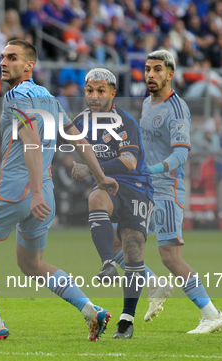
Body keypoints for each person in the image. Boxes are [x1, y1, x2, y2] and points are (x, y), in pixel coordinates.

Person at [0, 39, 118, 341]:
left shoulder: (16, 96)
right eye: (2, 57)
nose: (3, 62)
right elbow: (78, 140)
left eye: (12, 58)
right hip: (44, 191)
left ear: (29, 65)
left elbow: (30, 139)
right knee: (31, 263)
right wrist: (100, 177)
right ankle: (90, 310)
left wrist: (32, 193)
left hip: (18, 191)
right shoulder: (47, 98)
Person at [70, 68, 171, 339]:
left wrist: (91, 169)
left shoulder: (124, 122)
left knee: (132, 251)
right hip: (108, 185)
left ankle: (127, 319)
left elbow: (128, 162)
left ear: (112, 93)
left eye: (100, 90)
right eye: (90, 90)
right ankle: (107, 265)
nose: (94, 96)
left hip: (137, 187)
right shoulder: (80, 122)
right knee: (96, 199)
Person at [139, 50, 222, 333]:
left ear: (170, 74)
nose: (151, 74)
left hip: (166, 189)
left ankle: (211, 315)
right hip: (142, 188)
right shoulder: (146, 104)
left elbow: (180, 155)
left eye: (157, 69)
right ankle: (155, 285)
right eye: (148, 69)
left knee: (170, 257)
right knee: (115, 239)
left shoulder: (177, 109)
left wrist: (150, 170)